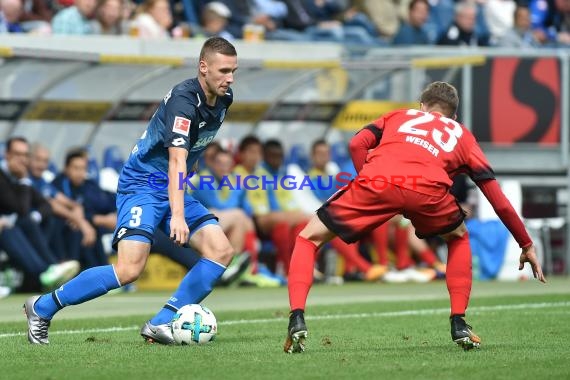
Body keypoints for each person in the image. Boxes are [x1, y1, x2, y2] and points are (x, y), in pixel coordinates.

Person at [283, 81, 546, 354]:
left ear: (421, 106)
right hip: (429, 193)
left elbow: (357, 143)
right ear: (453, 115)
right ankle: (458, 321)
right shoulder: (463, 135)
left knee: (308, 237)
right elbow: (498, 200)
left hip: (379, 181)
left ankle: (297, 317)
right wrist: (525, 244)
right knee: (458, 238)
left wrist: (369, 183)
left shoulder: (400, 115)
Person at [24, 36, 239, 345]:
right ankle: (41, 307)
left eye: (233, 71)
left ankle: (161, 323)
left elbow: (191, 152)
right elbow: (176, 159)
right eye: (223, 71)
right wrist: (177, 214)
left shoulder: (224, 98)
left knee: (221, 251)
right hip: (142, 185)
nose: (229, 79)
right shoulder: (183, 102)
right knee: (128, 269)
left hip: (170, 187)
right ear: (203, 67)